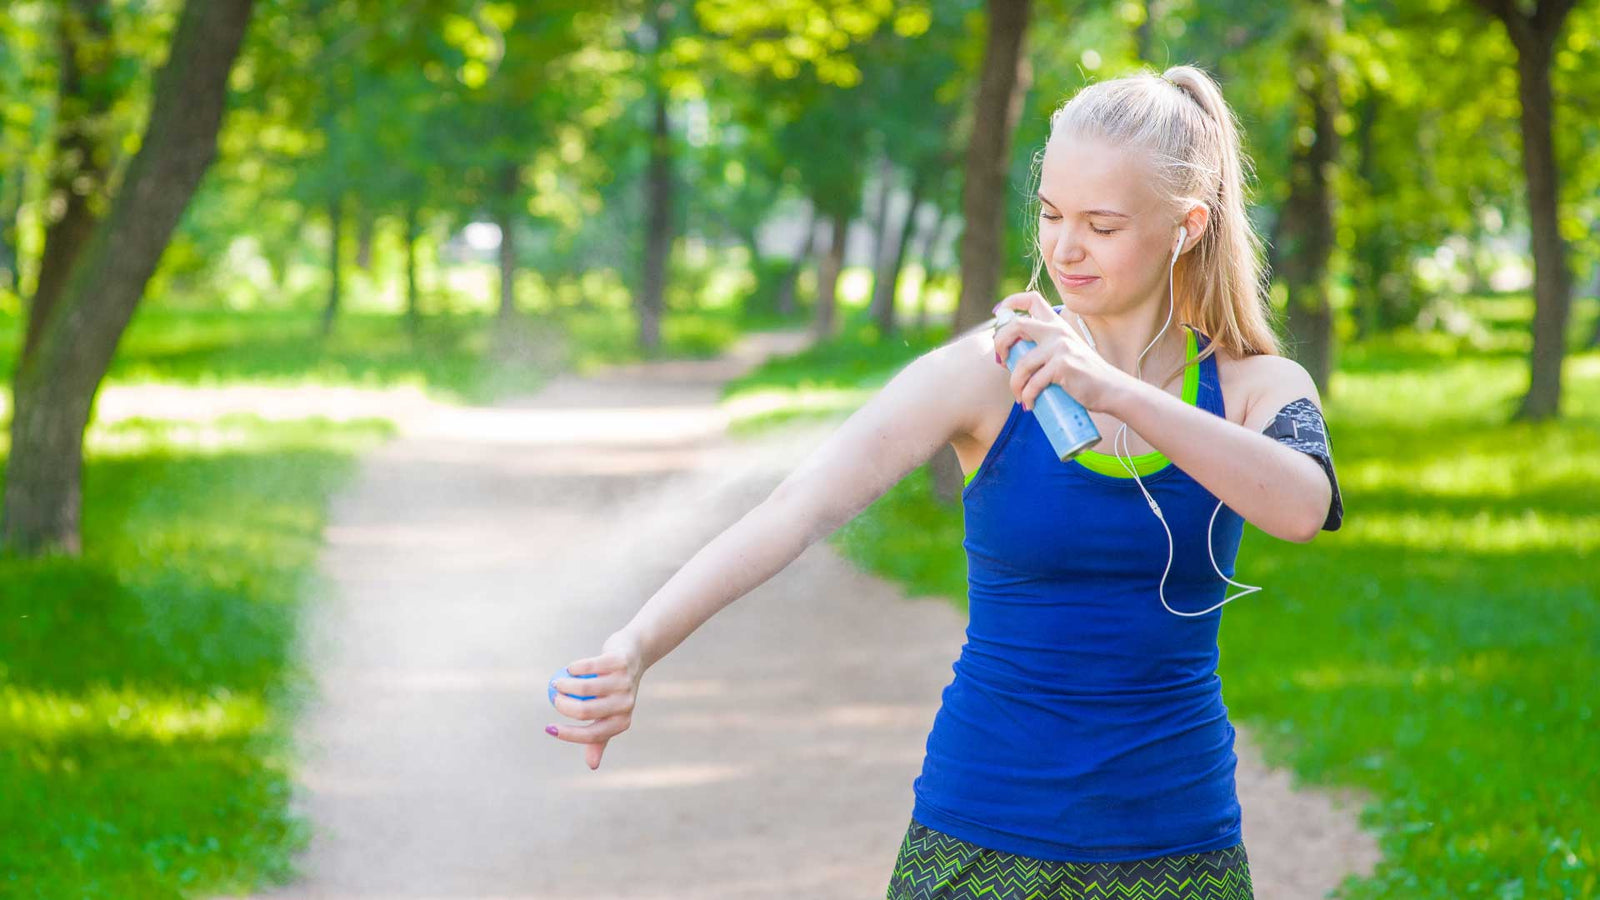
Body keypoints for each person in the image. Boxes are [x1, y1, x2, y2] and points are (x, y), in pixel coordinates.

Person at [545, 63, 1344, 900]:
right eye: (1050, 214)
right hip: (979, 834)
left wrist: (1113, 390)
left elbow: (1301, 506)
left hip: (1178, 843)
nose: (1065, 248)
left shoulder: (1259, 385)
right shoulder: (982, 375)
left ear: (1187, 225)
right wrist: (636, 646)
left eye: (1101, 226)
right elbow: (794, 509)